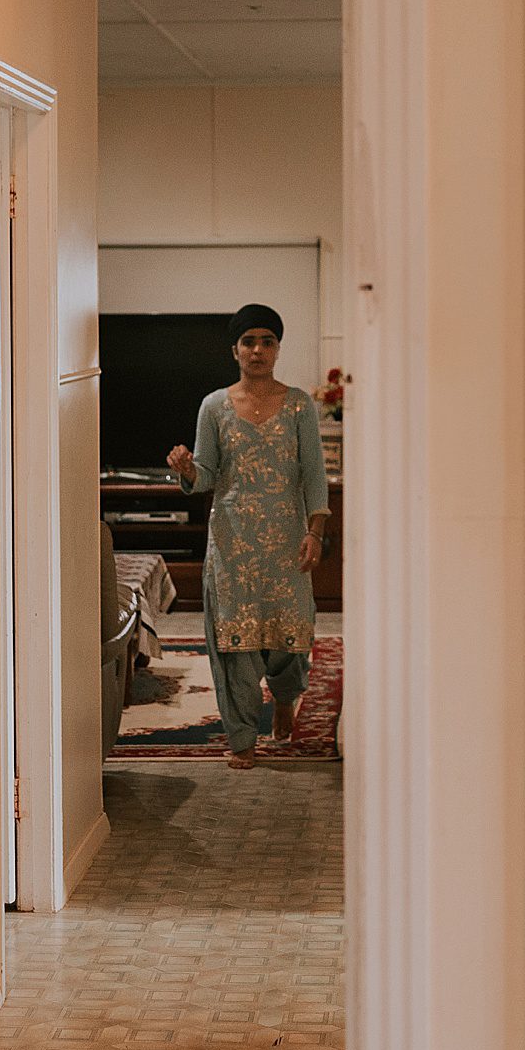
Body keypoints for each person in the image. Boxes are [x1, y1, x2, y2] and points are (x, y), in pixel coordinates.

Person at [165, 303, 330, 771]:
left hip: (287, 541)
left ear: (278, 348)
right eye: (249, 342)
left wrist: (315, 532)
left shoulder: (299, 404)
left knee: (291, 638)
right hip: (233, 544)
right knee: (234, 644)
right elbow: (206, 477)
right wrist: (186, 469)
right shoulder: (214, 406)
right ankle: (241, 736)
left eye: (267, 341)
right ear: (234, 350)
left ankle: (283, 697)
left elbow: (313, 474)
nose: (258, 350)